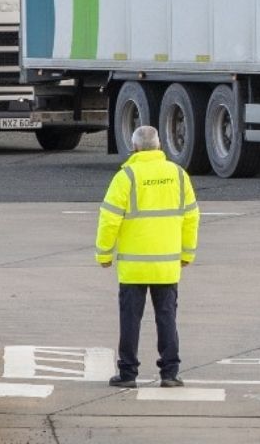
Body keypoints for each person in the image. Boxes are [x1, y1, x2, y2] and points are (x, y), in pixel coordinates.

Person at [95, 125, 199, 389]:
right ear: (160, 146)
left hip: (134, 266)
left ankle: (128, 373)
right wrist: (187, 253)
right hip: (167, 265)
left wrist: (104, 254)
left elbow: (109, 219)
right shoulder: (177, 174)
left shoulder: (126, 177)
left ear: (135, 147)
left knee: (130, 320)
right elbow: (191, 217)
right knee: (167, 318)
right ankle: (170, 373)